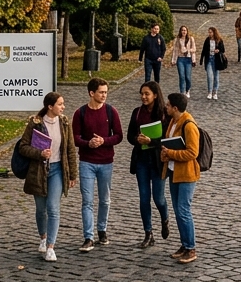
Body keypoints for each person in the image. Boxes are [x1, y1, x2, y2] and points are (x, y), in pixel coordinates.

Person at [18, 92, 77, 262]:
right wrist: (39, 153)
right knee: (41, 209)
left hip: (58, 169)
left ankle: (51, 246)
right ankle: (43, 237)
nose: (63, 107)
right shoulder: (35, 123)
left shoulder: (65, 123)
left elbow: (70, 150)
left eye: (63, 103)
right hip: (39, 170)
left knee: (53, 207)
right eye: (60, 104)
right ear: (50, 107)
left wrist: (72, 174)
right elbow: (23, 147)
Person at [73, 78, 123, 252]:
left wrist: (104, 141)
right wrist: (88, 143)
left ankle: (102, 229)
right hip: (86, 162)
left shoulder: (111, 112)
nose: (104, 95)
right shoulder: (80, 113)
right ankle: (88, 237)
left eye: (105, 92)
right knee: (87, 201)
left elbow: (118, 136)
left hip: (106, 162)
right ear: (91, 93)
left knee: (105, 199)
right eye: (101, 92)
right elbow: (76, 138)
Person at [160, 92, 201, 264]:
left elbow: (193, 152)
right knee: (178, 211)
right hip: (173, 172)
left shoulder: (189, 125)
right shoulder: (173, 121)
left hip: (186, 174)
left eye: (168, 105)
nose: (166, 107)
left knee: (184, 210)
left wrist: (170, 153)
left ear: (175, 108)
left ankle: (191, 248)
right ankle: (184, 245)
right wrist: (165, 154)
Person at [130, 82, 170, 248]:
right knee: (144, 198)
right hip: (142, 160)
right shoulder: (137, 112)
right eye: (142, 94)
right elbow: (130, 135)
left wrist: (151, 141)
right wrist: (137, 139)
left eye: (147, 94)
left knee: (158, 198)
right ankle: (148, 233)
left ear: (155, 95)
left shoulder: (164, 114)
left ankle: (165, 218)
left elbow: (168, 139)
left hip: (158, 161)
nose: (143, 97)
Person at [201, 27, 227, 100]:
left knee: (216, 77)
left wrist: (218, 50)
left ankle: (215, 92)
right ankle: (209, 92)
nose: (209, 34)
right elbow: (204, 50)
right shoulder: (207, 40)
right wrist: (201, 59)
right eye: (209, 32)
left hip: (216, 59)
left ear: (214, 32)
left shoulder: (219, 40)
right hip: (209, 59)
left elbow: (223, 49)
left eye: (211, 32)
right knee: (209, 76)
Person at [172, 25, 196, 95]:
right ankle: (182, 92)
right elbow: (175, 50)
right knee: (182, 76)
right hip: (180, 59)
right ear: (180, 31)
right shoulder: (178, 40)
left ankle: (187, 90)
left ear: (187, 31)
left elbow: (194, 49)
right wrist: (174, 60)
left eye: (185, 30)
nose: (184, 32)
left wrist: (188, 50)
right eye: (182, 30)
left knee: (187, 77)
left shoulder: (191, 39)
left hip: (188, 59)